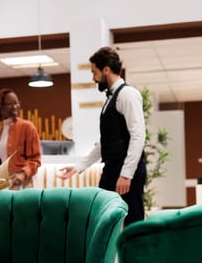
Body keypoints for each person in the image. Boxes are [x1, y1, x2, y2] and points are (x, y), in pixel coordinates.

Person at [58, 46, 146, 225]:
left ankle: (136, 254)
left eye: (94, 72)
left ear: (106, 69)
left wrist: (126, 174)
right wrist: (79, 166)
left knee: (132, 222)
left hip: (127, 171)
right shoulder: (110, 99)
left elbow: (138, 136)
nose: (93, 78)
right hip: (112, 168)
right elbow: (106, 142)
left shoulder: (128, 95)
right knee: (102, 216)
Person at [0, 88, 41, 190]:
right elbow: (2, 164)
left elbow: (35, 159)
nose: (15, 107)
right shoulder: (1, 131)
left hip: (22, 184)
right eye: (9, 104)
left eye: (17, 103)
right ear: (0, 107)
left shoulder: (27, 127)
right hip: (4, 184)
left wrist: (22, 174)